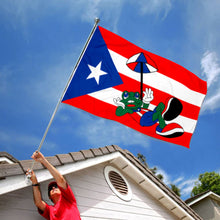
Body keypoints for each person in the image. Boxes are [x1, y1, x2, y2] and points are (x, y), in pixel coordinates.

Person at [26, 151, 81, 220]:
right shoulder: (50, 210)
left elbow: (60, 180)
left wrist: (43, 161)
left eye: (56, 186)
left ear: (62, 192)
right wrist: (34, 182)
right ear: (49, 197)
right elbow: (38, 203)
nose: (53, 187)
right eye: (50, 189)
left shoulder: (68, 199)